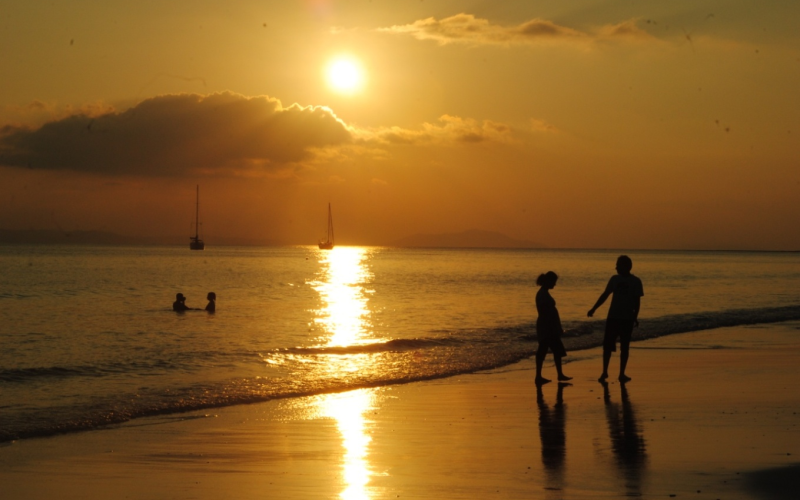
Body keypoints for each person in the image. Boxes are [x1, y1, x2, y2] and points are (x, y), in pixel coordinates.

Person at [588, 255, 644, 382]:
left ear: (627, 267)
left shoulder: (636, 281)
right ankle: (604, 372)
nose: (616, 267)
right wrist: (594, 308)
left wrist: (635, 317)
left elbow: (637, 302)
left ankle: (622, 373)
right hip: (613, 317)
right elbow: (605, 295)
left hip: (627, 318)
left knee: (625, 347)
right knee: (607, 346)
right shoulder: (614, 279)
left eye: (618, 265)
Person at [535, 271, 572, 385]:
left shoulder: (544, 293)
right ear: (548, 281)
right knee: (544, 350)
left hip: (549, 326)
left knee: (555, 350)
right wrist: (554, 327)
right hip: (547, 327)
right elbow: (545, 312)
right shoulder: (542, 294)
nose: (555, 284)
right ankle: (539, 376)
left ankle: (558, 374)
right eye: (554, 282)